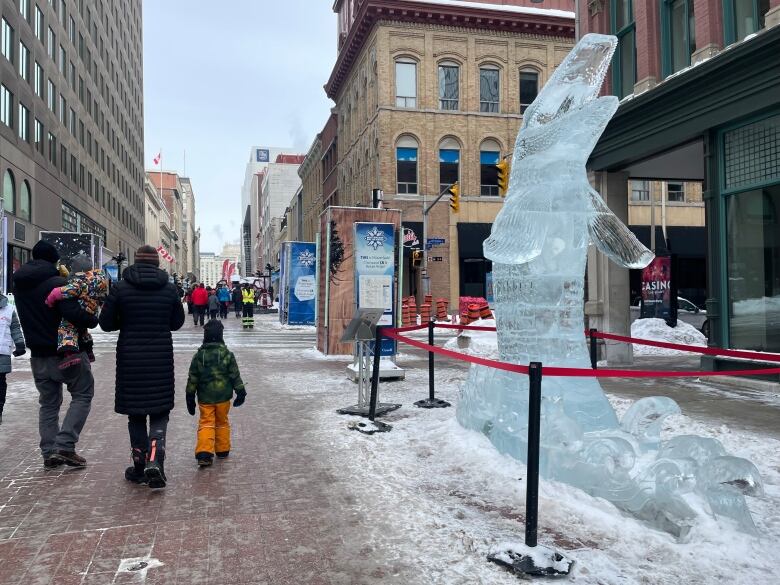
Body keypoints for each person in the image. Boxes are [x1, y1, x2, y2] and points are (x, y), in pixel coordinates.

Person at [99, 245, 185, 488]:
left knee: (135, 414)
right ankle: (155, 460)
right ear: (157, 264)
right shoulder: (169, 289)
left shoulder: (121, 288)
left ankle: (139, 465)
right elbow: (177, 323)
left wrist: (123, 320)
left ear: (135, 263)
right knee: (159, 412)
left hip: (130, 360)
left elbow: (105, 324)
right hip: (160, 359)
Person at [13, 241, 98, 468]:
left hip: (38, 355)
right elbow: (75, 314)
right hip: (66, 352)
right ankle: (65, 445)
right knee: (82, 394)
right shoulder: (58, 284)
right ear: (54, 260)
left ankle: (50, 451)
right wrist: (92, 318)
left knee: (48, 404)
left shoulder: (20, 284)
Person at [185, 320, 246, 466]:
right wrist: (241, 391)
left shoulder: (199, 356)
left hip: (205, 397)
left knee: (206, 422)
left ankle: (204, 453)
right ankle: (222, 449)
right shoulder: (227, 354)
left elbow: (193, 378)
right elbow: (234, 375)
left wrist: (189, 396)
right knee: (222, 421)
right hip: (223, 397)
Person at [45, 254, 109, 370]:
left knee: (67, 328)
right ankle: (88, 350)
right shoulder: (98, 280)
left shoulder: (80, 282)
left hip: (81, 307)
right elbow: (102, 297)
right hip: (91, 310)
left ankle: (70, 353)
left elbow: (67, 291)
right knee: (83, 330)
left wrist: (52, 296)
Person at [0, 292, 27, 425]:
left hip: (2, 353)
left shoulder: (9, 310)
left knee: (0, 383)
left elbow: (15, 328)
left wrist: (20, 344)